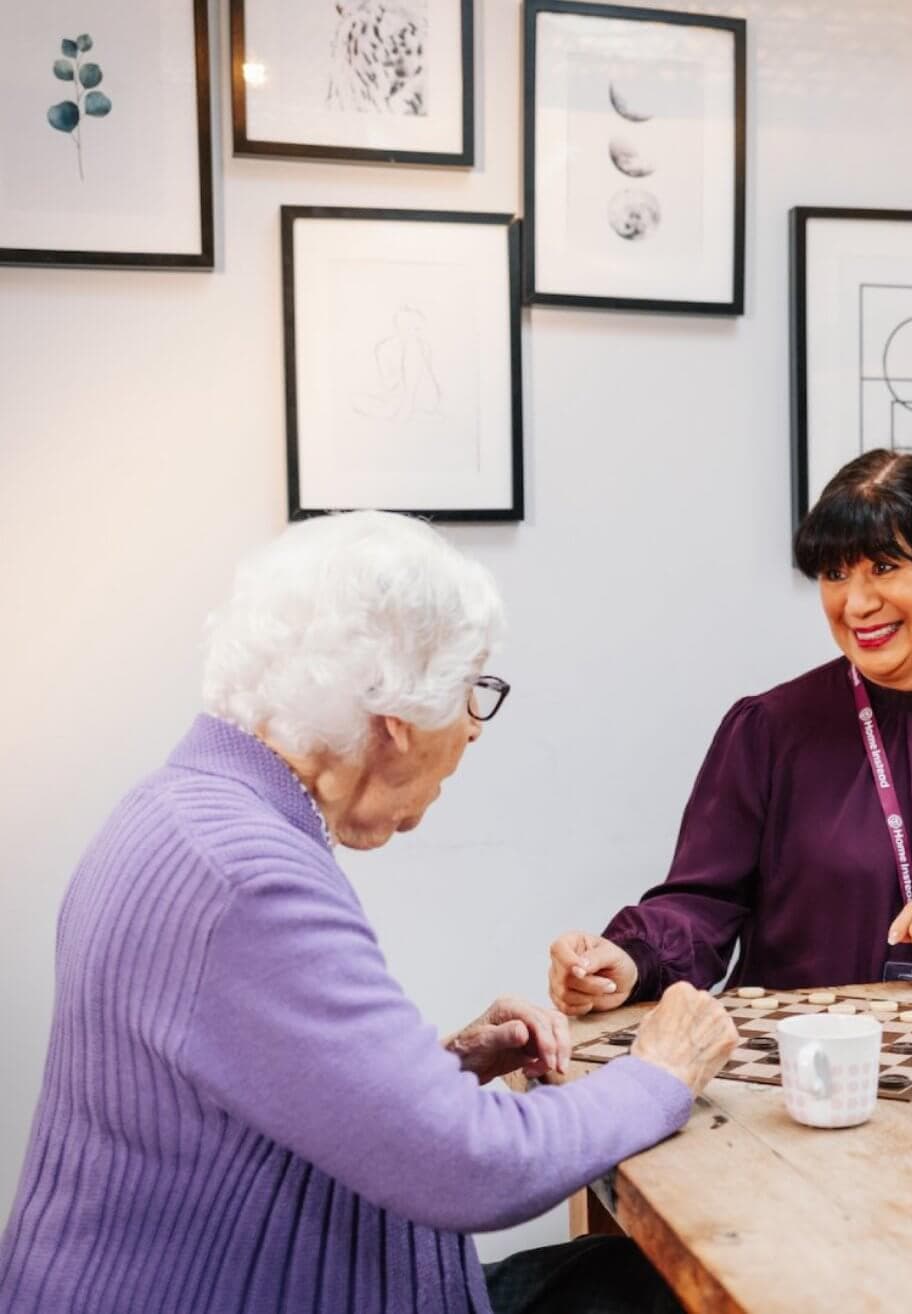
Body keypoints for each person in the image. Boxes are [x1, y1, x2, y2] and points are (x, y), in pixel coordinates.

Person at [0, 511, 737, 1314]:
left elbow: (263, 1088)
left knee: (614, 1280)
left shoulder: (181, 812)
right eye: (470, 692)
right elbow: (470, 1168)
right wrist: (657, 1074)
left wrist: (444, 1066)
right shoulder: (249, 879)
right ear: (398, 719)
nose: (471, 731)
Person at [549, 450, 912, 1016]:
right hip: (799, 1074)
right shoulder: (767, 730)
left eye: (883, 566)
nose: (856, 603)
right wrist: (629, 957)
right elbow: (702, 903)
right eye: (834, 573)